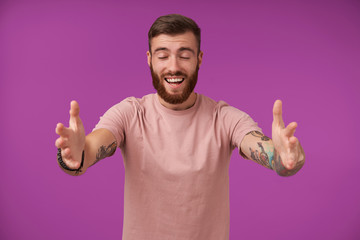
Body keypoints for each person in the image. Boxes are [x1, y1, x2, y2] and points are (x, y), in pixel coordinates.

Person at [55, 14, 305, 240]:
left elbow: (266, 151)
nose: (173, 66)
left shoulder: (225, 117)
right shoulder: (130, 113)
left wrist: (284, 157)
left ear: (199, 59)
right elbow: (92, 147)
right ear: (150, 59)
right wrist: (77, 155)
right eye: (163, 56)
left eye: (184, 55)